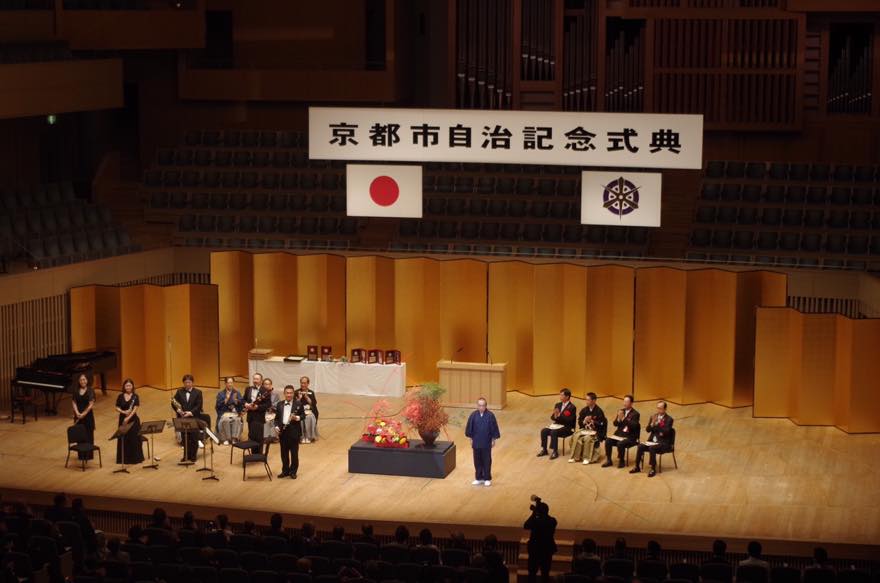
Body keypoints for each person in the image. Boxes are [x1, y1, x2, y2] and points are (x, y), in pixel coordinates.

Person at [631, 401, 674, 477]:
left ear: (665, 409)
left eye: (660, 408)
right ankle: (637, 466)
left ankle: (653, 468)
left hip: (663, 443)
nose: (658, 410)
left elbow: (666, 432)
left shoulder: (669, 419)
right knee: (640, 446)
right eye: (658, 408)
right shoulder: (653, 417)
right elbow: (648, 430)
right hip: (652, 441)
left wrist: (657, 424)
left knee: (652, 448)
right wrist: (652, 424)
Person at [465, 397, 501, 486]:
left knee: (487, 460)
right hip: (476, 442)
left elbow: (494, 428)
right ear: (477, 406)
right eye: (480, 405)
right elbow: (470, 429)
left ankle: (487, 478)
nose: (481, 407)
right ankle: (478, 478)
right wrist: (471, 439)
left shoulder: (490, 416)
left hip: (486, 442)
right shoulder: (473, 415)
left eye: (483, 405)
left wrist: (493, 439)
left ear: (486, 406)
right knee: (477, 461)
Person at [274, 385, 304, 479]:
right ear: (284, 394)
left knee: (294, 454)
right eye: (287, 393)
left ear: (293, 393)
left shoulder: (298, 404)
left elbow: (303, 415)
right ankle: (285, 471)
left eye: (291, 393)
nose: (289, 395)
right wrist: (276, 426)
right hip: (283, 432)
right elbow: (277, 418)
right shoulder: (279, 404)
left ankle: (293, 472)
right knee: (284, 453)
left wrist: (297, 417)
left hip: (294, 432)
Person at [524, 497, 557, 583]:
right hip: (547, 550)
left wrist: (534, 512)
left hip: (535, 550)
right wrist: (537, 510)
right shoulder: (553, 521)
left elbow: (526, 525)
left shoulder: (536, 521)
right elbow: (544, 519)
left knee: (532, 574)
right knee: (545, 574)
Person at [602, 394, 640, 468]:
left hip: (630, 437)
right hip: (619, 435)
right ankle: (609, 460)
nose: (624, 403)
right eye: (624, 401)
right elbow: (615, 424)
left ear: (631, 403)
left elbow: (634, 426)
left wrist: (623, 419)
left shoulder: (636, 414)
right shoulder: (621, 411)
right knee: (608, 441)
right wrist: (618, 419)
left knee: (620, 443)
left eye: (627, 402)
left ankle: (622, 461)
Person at [172, 374, 203, 463]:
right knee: (185, 438)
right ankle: (185, 456)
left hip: (193, 418)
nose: (187, 384)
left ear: (192, 383)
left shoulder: (198, 392)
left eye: (189, 382)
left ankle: (193, 456)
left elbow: (199, 406)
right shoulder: (179, 392)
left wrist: (190, 413)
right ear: (183, 383)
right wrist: (178, 410)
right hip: (182, 418)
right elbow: (173, 402)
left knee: (193, 438)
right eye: (185, 382)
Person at [568, 392, 606, 464]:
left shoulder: (599, 411)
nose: (586, 401)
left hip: (595, 432)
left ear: (594, 400)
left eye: (588, 400)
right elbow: (580, 422)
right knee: (576, 436)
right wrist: (584, 421)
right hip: (585, 430)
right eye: (586, 400)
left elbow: (602, 424)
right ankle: (576, 457)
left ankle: (587, 458)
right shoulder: (584, 410)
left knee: (587, 438)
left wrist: (592, 421)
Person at [537, 389, 576, 459]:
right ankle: (544, 449)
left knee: (553, 432)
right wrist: (555, 415)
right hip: (557, 426)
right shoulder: (558, 405)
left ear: (567, 397)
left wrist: (559, 415)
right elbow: (552, 417)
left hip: (567, 427)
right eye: (560, 395)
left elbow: (569, 420)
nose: (560, 396)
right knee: (544, 431)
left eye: (562, 395)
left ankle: (555, 451)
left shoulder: (572, 407)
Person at [116, 379, 145, 464]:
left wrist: (127, 418)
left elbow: (135, 409)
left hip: (133, 420)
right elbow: (117, 407)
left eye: (129, 385)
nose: (128, 387)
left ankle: (135, 459)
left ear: (132, 386)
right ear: (124, 387)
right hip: (123, 419)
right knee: (124, 439)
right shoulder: (120, 396)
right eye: (126, 386)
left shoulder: (135, 396)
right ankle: (124, 459)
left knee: (133, 439)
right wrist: (123, 412)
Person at [72, 374, 96, 461]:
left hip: (88, 416)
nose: (83, 381)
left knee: (88, 435)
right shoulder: (76, 390)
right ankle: (81, 455)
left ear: (87, 380)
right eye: (81, 380)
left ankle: (88, 455)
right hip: (78, 415)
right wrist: (77, 412)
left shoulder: (90, 390)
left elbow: (91, 404)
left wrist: (83, 414)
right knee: (80, 435)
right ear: (79, 381)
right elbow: (74, 402)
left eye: (84, 379)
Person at [215, 377, 243, 445]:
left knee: (237, 419)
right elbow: (217, 406)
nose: (230, 384)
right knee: (226, 420)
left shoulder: (237, 393)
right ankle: (225, 438)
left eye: (231, 383)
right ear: (225, 383)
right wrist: (225, 400)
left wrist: (236, 402)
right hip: (224, 413)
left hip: (234, 413)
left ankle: (234, 438)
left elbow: (241, 404)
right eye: (228, 383)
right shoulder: (221, 393)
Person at [298, 377, 319, 443]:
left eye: (304, 383)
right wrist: (299, 398)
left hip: (309, 411)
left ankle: (310, 436)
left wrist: (307, 397)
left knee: (310, 417)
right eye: (301, 383)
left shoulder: (311, 392)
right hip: (299, 411)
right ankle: (301, 436)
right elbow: (294, 404)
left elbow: (313, 404)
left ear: (308, 384)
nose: (303, 385)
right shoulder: (297, 392)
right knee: (301, 417)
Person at [262, 377, 280, 442]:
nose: (267, 386)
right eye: (265, 384)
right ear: (263, 385)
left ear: (271, 385)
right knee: (266, 420)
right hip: (264, 411)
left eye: (268, 384)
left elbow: (278, 403)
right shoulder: (260, 394)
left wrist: (272, 408)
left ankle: (274, 437)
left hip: (273, 411)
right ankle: (266, 437)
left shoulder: (276, 394)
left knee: (274, 419)